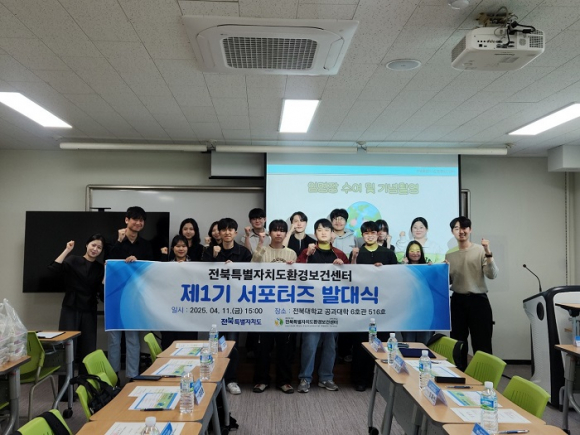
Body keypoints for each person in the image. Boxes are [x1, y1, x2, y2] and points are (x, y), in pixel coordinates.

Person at [297, 218, 349, 393]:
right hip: (311, 307)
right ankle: (305, 378)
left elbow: (350, 278)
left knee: (330, 344)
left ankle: (326, 377)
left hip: (332, 307)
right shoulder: (308, 252)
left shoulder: (339, 254)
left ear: (332, 233)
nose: (324, 232)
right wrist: (306, 255)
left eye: (327, 230)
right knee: (309, 344)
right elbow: (296, 274)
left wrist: (343, 267)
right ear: (315, 234)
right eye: (319, 230)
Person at [202, 217, 251, 395]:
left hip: (235, 305)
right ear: (219, 233)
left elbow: (250, 277)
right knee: (214, 344)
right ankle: (215, 379)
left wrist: (236, 268)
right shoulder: (210, 251)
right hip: (215, 305)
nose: (227, 232)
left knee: (231, 344)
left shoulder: (244, 252)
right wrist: (215, 258)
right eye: (224, 229)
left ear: (235, 232)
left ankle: (231, 380)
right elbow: (201, 274)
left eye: (231, 229)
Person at [106, 206, 154, 382]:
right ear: (127, 220)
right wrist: (119, 242)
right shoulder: (112, 240)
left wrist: (137, 263)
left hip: (134, 298)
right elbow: (107, 262)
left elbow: (150, 270)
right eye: (135, 219)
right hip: (114, 297)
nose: (138, 223)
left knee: (133, 338)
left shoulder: (146, 245)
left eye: (141, 220)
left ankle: (132, 376)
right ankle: (114, 378)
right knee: (114, 339)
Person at [349, 221, 397, 391]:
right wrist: (353, 259)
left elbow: (397, 277)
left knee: (381, 343)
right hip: (361, 305)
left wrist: (383, 270)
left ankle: (379, 381)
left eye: (373, 233)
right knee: (361, 343)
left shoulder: (388, 253)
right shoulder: (357, 253)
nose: (370, 236)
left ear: (378, 234)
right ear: (362, 236)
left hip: (384, 305)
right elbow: (349, 277)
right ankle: (360, 380)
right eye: (366, 233)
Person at [251, 220, 297, 394]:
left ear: (285, 233)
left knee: (284, 347)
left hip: (285, 306)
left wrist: (294, 268)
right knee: (263, 347)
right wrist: (260, 244)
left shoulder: (291, 253)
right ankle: (261, 380)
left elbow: (298, 279)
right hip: (265, 306)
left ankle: (284, 381)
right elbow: (252, 267)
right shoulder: (263, 250)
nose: (278, 233)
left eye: (282, 230)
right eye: (275, 230)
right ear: (269, 233)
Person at [48, 234, 105, 372]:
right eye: (93, 245)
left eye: (99, 247)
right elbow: (53, 269)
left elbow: (102, 293)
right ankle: (66, 385)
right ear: (86, 245)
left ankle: (86, 383)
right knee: (67, 347)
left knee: (88, 348)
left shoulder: (99, 268)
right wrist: (67, 250)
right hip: (70, 308)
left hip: (89, 309)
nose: (95, 249)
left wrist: (106, 273)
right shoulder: (73, 260)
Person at [445, 216, 498, 359]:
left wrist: (488, 252)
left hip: (478, 301)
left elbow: (492, 274)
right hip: (457, 301)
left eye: (464, 227)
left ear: (470, 229)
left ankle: (484, 373)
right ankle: (459, 372)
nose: (461, 231)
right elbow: (450, 280)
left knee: (482, 343)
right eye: (457, 228)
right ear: (452, 232)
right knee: (457, 342)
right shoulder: (449, 254)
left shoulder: (481, 250)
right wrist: (441, 271)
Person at [161, 235, 197, 349]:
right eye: (178, 246)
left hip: (189, 311)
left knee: (188, 344)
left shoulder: (196, 266)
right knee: (169, 343)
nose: (181, 249)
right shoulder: (166, 265)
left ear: (187, 248)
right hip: (170, 310)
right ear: (173, 248)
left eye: (184, 246)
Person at [400, 241, 433, 345]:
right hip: (408, 311)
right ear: (407, 252)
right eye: (412, 251)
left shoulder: (428, 266)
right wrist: (402, 267)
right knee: (408, 342)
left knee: (424, 343)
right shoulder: (401, 267)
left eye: (418, 251)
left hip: (425, 311)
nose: (415, 253)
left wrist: (439, 267)